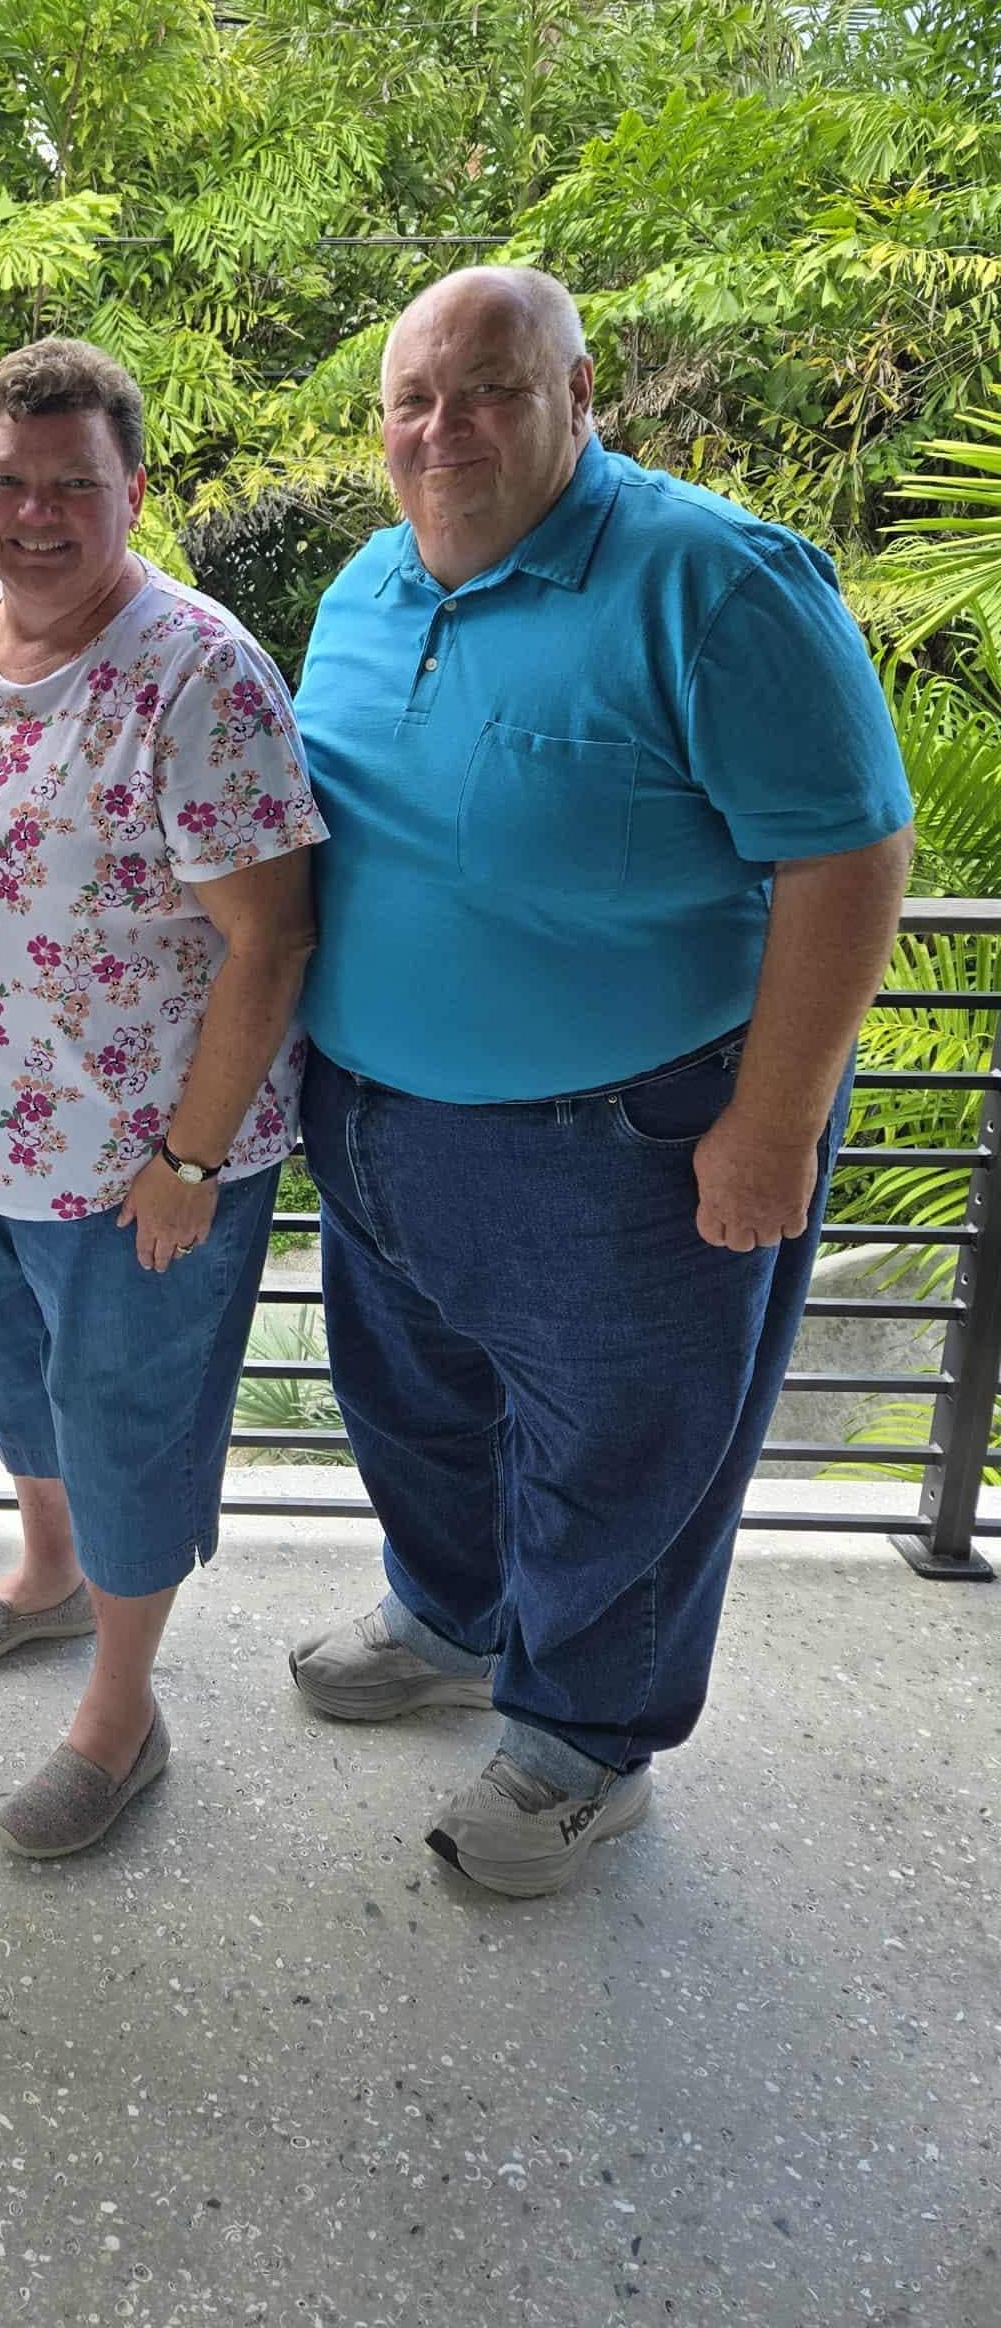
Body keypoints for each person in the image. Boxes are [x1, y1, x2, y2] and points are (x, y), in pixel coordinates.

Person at [288, 265, 914, 1897]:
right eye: (414, 401)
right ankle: (454, 1621)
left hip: (627, 1142)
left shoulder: (713, 579)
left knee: (624, 1459)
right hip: (375, 1119)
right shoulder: (365, 584)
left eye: (490, 389)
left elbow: (849, 857)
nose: (445, 429)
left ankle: (585, 1747)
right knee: (412, 1410)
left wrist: (771, 1124)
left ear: (583, 397)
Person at [0, 338, 324, 1858]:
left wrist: (193, 1157)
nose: (41, 511)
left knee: (129, 1422)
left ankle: (121, 1715)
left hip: (149, 1160)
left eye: (78, 483)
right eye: (12, 480)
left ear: (135, 490)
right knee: (28, 1391)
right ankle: (49, 1579)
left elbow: (274, 934)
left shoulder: (202, 673)